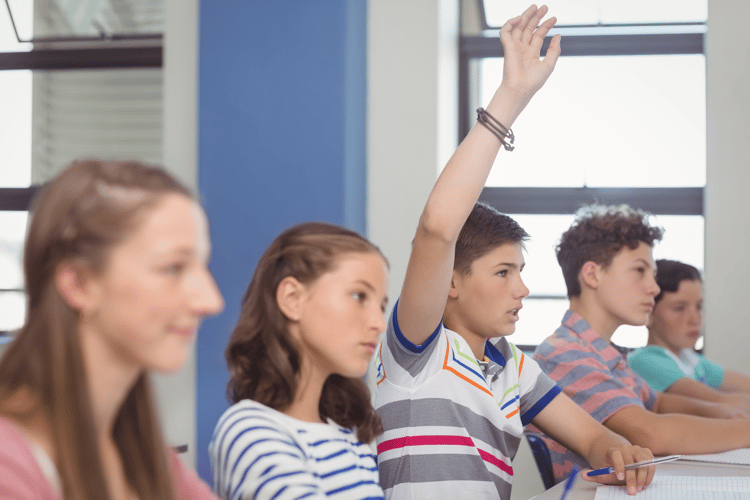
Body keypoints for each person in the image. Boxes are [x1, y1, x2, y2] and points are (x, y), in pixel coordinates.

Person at [373, 6, 655, 499]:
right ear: (452, 282)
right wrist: (512, 96)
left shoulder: (513, 368)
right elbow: (438, 229)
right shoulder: (418, 350)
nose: (521, 289)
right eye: (503, 272)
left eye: (521, 271)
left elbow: (591, 437)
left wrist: (615, 450)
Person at [0, 159, 224, 499]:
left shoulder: (153, 462)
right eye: (173, 268)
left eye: (202, 266)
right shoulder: (10, 464)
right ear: (78, 284)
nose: (210, 301)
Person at [532, 204, 750, 482]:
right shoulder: (564, 352)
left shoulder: (606, 354)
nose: (654, 288)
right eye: (639, 270)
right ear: (593, 275)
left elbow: (658, 402)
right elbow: (651, 433)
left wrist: (724, 412)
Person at [209, 222, 388, 499]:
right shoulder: (250, 431)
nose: (379, 322)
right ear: (293, 299)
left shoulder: (351, 439)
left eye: (382, 305)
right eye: (358, 295)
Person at [628, 259, 750, 412]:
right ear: (649, 313)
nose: (695, 319)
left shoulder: (692, 360)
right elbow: (718, 402)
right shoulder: (644, 361)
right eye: (679, 308)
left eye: (699, 306)